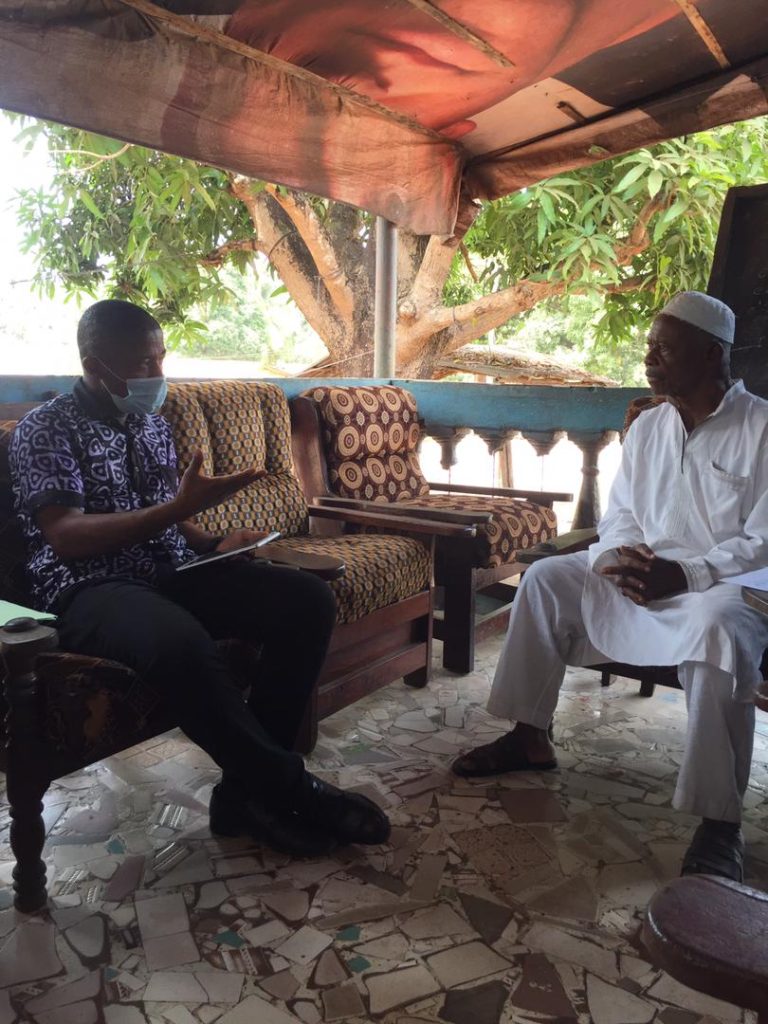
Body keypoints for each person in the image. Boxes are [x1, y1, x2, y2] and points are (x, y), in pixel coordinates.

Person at [10, 299, 390, 857]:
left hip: (170, 569)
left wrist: (214, 543)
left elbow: (171, 515)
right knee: (180, 642)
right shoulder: (44, 430)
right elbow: (65, 533)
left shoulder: (149, 423)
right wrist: (172, 515)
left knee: (305, 600)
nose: (158, 376)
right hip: (88, 587)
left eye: (161, 359)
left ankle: (244, 797)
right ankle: (290, 789)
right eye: (143, 364)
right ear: (95, 365)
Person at [452, 291, 768, 882]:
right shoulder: (649, 425)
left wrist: (689, 572)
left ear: (710, 355)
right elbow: (621, 511)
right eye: (649, 346)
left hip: (719, 585)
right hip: (642, 573)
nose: (650, 358)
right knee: (546, 577)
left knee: (722, 628)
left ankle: (720, 822)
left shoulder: (762, 427)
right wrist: (619, 558)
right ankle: (529, 737)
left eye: (664, 348)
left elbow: (763, 541)